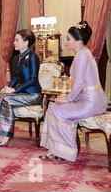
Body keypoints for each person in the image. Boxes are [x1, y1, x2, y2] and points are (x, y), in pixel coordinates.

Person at [40, 21, 107, 162]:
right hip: (94, 100)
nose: (66, 42)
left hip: (90, 102)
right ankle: (57, 150)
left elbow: (80, 83)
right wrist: (68, 98)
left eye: (68, 39)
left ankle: (63, 152)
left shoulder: (82, 55)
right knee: (54, 106)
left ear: (79, 41)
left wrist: (68, 99)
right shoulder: (85, 53)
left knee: (56, 110)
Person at [0, 29, 42, 146]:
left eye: (17, 40)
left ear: (26, 43)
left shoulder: (33, 57)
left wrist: (13, 90)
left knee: (6, 99)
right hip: (21, 93)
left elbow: (33, 80)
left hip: (33, 95)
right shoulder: (16, 58)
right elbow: (15, 79)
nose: (14, 42)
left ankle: (3, 135)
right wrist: (8, 88)